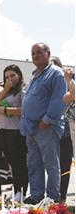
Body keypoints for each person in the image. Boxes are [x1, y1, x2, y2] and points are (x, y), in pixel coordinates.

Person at [21, 42, 67, 204]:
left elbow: (59, 100)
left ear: (48, 53)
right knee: (34, 164)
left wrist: (46, 120)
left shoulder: (56, 73)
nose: (35, 56)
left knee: (51, 165)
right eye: (33, 53)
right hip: (31, 128)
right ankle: (36, 196)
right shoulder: (35, 74)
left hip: (46, 127)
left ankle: (52, 198)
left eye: (39, 53)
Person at [0, 64, 28, 201]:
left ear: (19, 75)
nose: (10, 79)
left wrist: (7, 111)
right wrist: (5, 88)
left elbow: (23, 110)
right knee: (11, 162)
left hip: (17, 130)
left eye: (13, 75)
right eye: (7, 77)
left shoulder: (23, 90)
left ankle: (22, 191)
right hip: (4, 130)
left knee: (19, 162)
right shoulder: (5, 91)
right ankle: (16, 189)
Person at [50, 56, 75, 202]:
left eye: (57, 65)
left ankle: (62, 196)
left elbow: (72, 95)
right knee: (51, 165)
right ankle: (51, 194)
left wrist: (67, 80)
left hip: (66, 133)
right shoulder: (45, 83)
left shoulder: (70, 82)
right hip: (49, 130)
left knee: (64, 164)